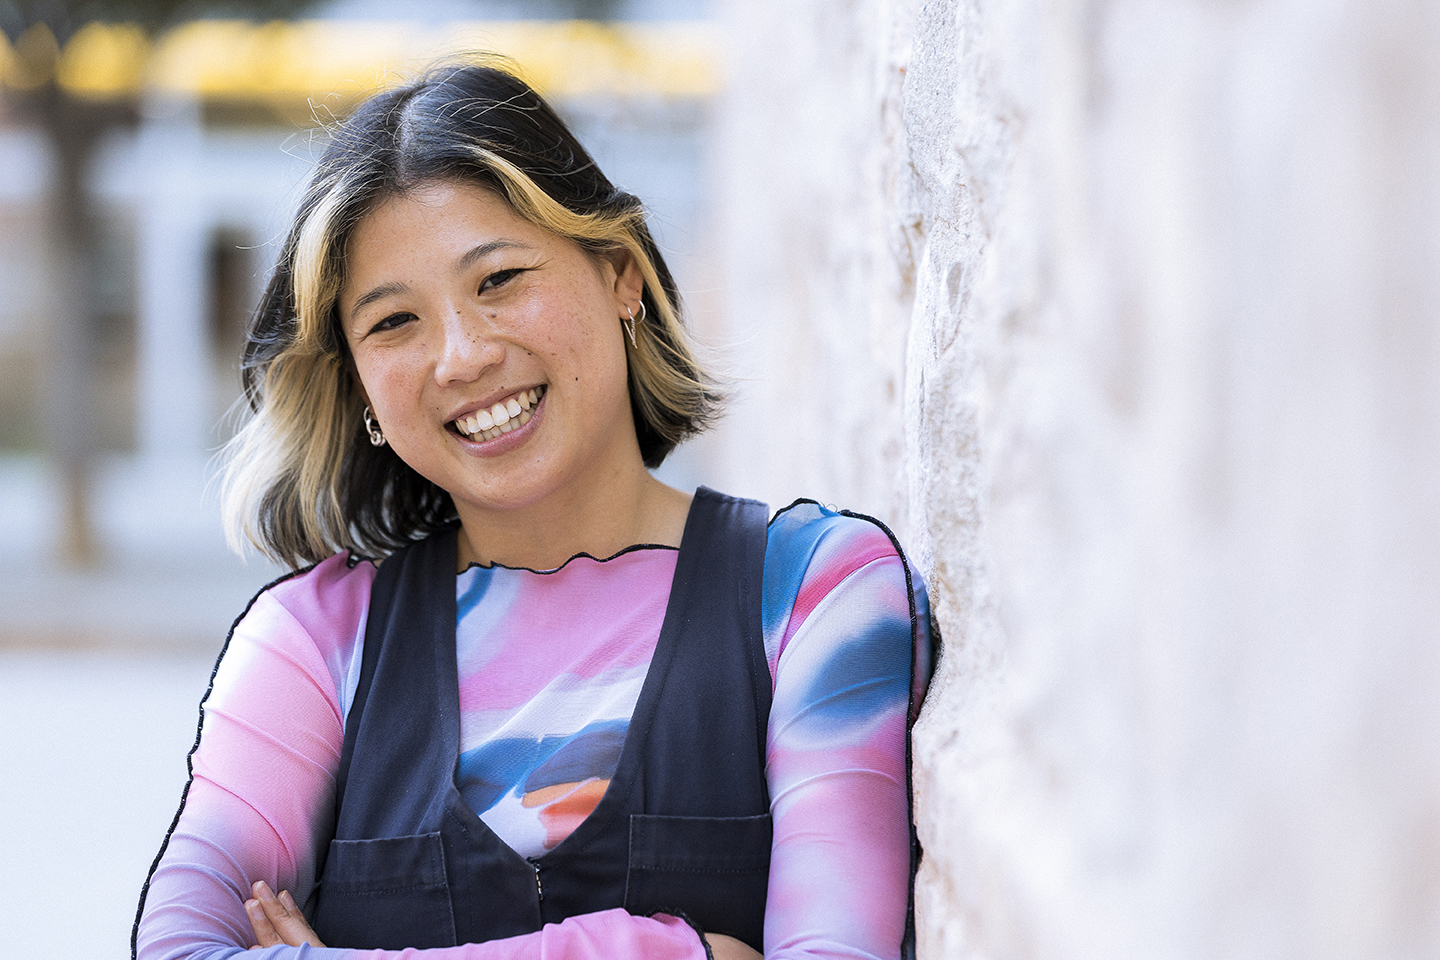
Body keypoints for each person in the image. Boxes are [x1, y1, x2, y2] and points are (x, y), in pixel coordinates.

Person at [132, 58, 933, 960]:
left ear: (621, 275)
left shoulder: (815, 595)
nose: (461, 357)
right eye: (394, 323)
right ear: (358, 381)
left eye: (501, 279)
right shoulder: (311, 644)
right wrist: (658, 952)